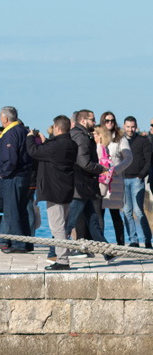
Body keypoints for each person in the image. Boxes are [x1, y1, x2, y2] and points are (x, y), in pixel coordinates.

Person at [28, 116, 76, 270]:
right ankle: (63, 257)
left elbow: (33, 151)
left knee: (57, 227)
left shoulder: (55, 146)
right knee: (63, 225)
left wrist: (30, 137)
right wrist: (45, 140)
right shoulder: (72, 144)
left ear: (56, 128)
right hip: (66, 190)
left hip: (54, 191)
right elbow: (52, 150)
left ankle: (62, 261)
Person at [68, 109, 108, 258]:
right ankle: (54, 252)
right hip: (80, 186)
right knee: (70, 222)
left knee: (94, 222)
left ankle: (107, 252)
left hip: (85, 186)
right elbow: (83, 162)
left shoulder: (81, 135)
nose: (95, 123)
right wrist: (101, 168)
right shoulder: (81, 137)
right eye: (92, 120)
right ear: (83, 121)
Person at [0, 107, 32, 253]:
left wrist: (4, 173)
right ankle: (27, 242)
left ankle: (18, 244)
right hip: (23, 175)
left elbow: (11, 158)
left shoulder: (11, 133)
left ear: (5, 118)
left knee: (12, 210)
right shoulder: (23, 131)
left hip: (13, 177)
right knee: (21, 210)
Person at [96, 122, 131, 245]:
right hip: (101, 182)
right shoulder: (97, 142)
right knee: (99, 214)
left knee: (115, 214)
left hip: (114, 182)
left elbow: (128, 158)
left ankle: (120, 243)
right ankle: (101, 244)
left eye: (111, 120)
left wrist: (115, 170)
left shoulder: (120, 138)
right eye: (106, 120)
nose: (109, 123)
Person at [121, 116, 152, 248]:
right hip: (123, 180)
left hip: (137, 180)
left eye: (132, 126)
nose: (130, 129)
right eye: (128, 127)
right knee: (127, 211)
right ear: (124, 126)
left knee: (139, 211)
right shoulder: (120, 141)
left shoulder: (143, 141)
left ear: (136, 126)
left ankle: (147, 240)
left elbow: (148, 161)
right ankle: (133, 240)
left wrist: (141, 176)